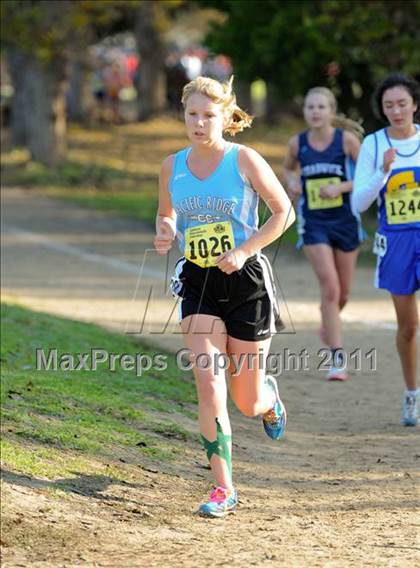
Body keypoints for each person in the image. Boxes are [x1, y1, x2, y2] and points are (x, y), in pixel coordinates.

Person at [154, 76, 295, 517]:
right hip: (198, 283)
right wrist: (165, 231)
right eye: (192, 114)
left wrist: (243, 250)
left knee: (246, 400)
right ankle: (222, 487)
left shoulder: (244, 160)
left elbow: (283, 212)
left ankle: (268, 399)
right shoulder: (171, 166)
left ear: (227, 116)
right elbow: (166, 213)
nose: (198, 123)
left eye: (208, 115)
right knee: (210, 384)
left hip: (246, 283)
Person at [283, 87, 364, 381]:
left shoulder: (347, 141)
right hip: (314, 223)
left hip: (345, 221)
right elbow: (288, 170)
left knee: (343, 293)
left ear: (331, 111)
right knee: (329, 289)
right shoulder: (298, 144)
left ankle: (327, 323)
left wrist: (340, 188)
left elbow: (367, 176)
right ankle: (337, 360)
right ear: (304, 112)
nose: (315, 112)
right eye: (310, 107)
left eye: (320, 107)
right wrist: (292, 183)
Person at [352, 74, 419, 427]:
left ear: (414, 105)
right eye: (389, 105)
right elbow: (358, 202)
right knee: (408, 326)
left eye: (402, 104)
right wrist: (382, 172)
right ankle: (412, 393)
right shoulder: (374, 145)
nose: (396, 111)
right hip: (396, 241)